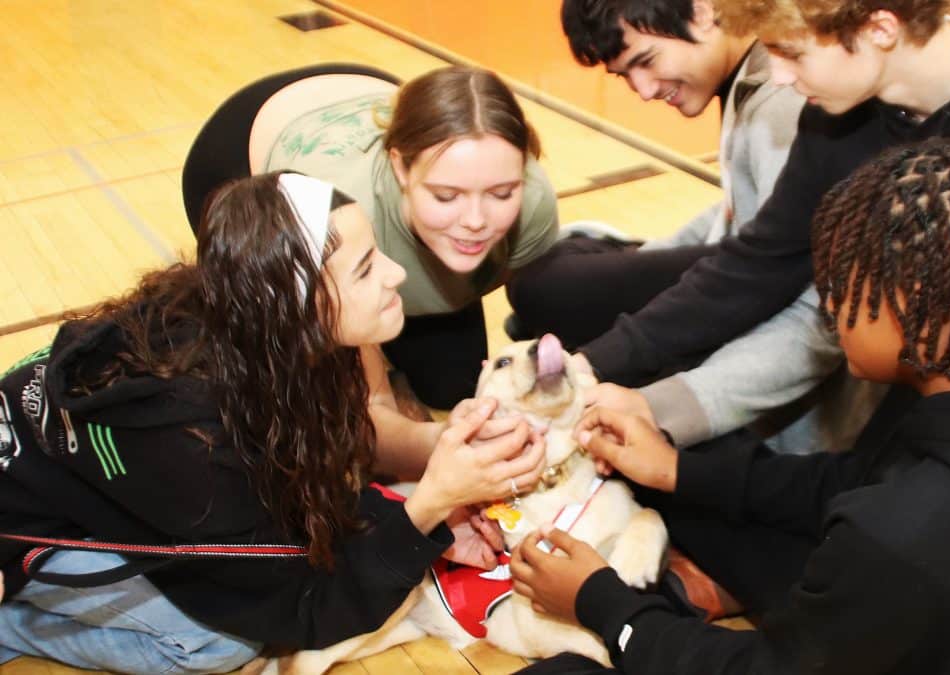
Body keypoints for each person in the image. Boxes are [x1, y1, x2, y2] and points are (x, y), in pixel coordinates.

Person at [509, 137, 950, 674]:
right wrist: (676, 471)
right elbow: (857, 479)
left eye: (841, 287)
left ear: (916, 309)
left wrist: (605, 605)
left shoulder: (899, 534)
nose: (827, 305)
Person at [0, 173, 547, 673]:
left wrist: (429, 520)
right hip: (24, 525)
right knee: (217, 647)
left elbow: (303, 482)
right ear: (296, 308)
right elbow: (300, 610)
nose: (396, 273)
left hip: (90, 480)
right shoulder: (193, 446)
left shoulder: (257, 337)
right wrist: (426, 506)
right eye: (365, 268)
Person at [573, 0, 950, 429]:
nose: (777, 76)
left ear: (880, 29)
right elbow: (758, 264)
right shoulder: (835, 118)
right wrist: (591, 367)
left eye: (790, 53)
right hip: (937, 399)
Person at [510, 0, 875, 453]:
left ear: (704, 11)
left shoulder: (785, 100)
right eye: (625, 75)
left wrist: (661, 404)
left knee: (545, 287)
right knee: (557, 275)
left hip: (786, 395)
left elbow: (802, 305)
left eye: (646, 61)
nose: (642, 90)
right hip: (742, 274)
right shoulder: (752, 79)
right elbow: (739, 215)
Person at [183, 64, 559, 409]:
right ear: (400, 166)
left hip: (366, 91)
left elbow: (531, 303)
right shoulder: (346, 214)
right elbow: (375, 411)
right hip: (245, 139)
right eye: (446, 196)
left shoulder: (533, 199)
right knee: (310, 400)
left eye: (501, 193)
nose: (476, 221)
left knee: (451, 389)